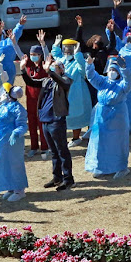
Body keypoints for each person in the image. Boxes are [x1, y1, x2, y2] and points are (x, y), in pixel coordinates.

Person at [84, 55, 131, 179]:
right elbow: (91, 76)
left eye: (115, 71)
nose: (112, 72)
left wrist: (124, 69)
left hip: (118, 118)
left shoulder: (122, 85)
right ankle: (102, 167)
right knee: (101, 142)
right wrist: (90, 65)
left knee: (117, 143)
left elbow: (130, 82)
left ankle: (122, 167)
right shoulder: (102, 82)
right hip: (101, 118)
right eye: (111, 70)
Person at [0, 83, 28, 202]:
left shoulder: (18, 108)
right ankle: (10, 186)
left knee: (14, 163)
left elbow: (23, 125)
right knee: (3, 162)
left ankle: (19, 190)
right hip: (0, 139)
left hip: (12, 141)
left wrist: (16, 132)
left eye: (4, 91)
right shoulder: (2, 106)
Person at [40, 57, 76, 191]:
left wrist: (50, 72)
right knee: (53, 151)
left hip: (57, 120)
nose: (52, 70)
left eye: (55, 67)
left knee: (62, 151)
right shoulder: (48, 81)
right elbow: (31, 82)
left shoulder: (66, 79)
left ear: (61, 69)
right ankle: (57, 177)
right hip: (46, 120)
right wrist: (23, 70)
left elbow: (63, 83)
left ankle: (68, 179)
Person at [51, 37, 90, 147]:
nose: (67, 53)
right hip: (63, 93)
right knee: (64, 116)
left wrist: (78, 55)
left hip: (77, 93)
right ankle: (66, 137)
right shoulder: (62, 60)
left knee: (76, 115)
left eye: (70, 50)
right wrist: (55, 46)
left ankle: (76, 137)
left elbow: (83, 68)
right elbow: (56, 56)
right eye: (65, 50)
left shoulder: (78, 62)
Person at [19, 35, 51, 159]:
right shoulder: (28, 65)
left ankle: (44, 147)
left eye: (35, 54)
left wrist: (43, 44)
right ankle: (33, 147)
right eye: (31, 54)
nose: (33, 56)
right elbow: (19, 53)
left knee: (41, 123)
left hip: (42, 99)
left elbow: (47, 55)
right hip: (30, 99)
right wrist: (14, 42)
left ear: (40, 55)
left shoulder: (44, 65)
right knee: (31, 123)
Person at [75, 16, 117, 106]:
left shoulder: (103, 50)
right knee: (91, 99)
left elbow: (112, 44)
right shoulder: (87, 50)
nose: (100, 43)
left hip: (102, 78)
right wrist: (80, 27)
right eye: (98, 41)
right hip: (90, 79)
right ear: (93, 41)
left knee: (100, 99)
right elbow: (78, 40)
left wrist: (111, 32)